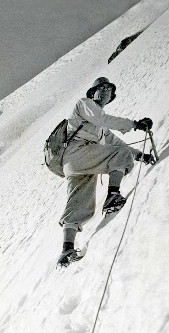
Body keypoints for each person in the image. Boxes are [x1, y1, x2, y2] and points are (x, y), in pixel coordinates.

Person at [57, 77, 153, 267]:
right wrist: (135, 124)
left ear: (110, 97)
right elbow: (104, 120)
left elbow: (117, 144)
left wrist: (140, 155)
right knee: (118, 155)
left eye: (108, 90)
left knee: (79, 202)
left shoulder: (100, 129)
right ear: (92, 92)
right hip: (79, 153)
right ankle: (113, 195)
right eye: (101, 88)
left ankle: (66, 249)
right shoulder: (84, 104)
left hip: (74, 163)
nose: (105, 92)